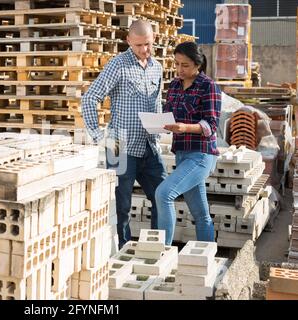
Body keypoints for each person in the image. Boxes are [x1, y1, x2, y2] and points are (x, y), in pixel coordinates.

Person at [81, 20, 167, 249]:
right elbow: (90, 98)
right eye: (138, 45)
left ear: (153, 39)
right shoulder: (117, 65)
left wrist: (159, 135)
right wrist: (99, 137)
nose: (143, 50)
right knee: (121, 207)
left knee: (163, 197)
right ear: (128, 41)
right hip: (119, 145)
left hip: (149, 146)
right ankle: (122, 252)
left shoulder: (157, 68)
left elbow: (157, 104)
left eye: (147, 44)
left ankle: (158, 250)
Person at [155, 41, 222, 245]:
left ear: (198, 64)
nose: (179, 69)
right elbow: (169, 114)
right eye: (176, 64)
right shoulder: (174, 85)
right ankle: (208, 255)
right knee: (200, 214)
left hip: (201, 156)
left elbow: (211, 124)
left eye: (184, 65)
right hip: (182, 154)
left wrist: (185, 127)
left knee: (163, 194)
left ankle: (162, 253)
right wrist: (159, 123)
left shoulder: (208, 86)